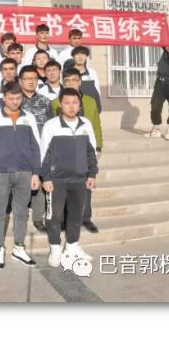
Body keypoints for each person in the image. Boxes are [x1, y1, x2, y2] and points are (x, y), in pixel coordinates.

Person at [40, 88, 99, 268]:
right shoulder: (51, 125)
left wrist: (92, 173)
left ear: (79, 105)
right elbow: (44, 153)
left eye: (75, 103)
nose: (71, 106)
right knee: (54, 215)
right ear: (60, 104)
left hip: (80, 179)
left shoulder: (86, 124)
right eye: (67, 103)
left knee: (76, 214)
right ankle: (55, 248)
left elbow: (91, 151)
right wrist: (46, 177)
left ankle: (72, 246)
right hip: (56, 180)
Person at [0, 82, 42, 268]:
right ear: (4, 98)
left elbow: (35, 146)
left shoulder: (29, 118)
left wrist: (36, 173)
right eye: (11, 98)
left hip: (25, 172)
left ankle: (19, 247)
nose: (15, 101)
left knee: (22, 212)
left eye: (18, 98)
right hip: (1, 173)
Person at [51, 69, 103, 234]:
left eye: (74, 80)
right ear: (63, 82)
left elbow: (96, 125)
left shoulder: (90, 101)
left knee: (85, 187)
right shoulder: (55, 103)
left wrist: (98, 147)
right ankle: (64, 219)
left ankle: (86, 218)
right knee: (65, 187)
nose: (71, 83)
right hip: (64, 152)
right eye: (67, 80)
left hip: (84, 150)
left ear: (80, 81)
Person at [18, 65, 55, 232]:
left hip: (41, 149)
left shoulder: (45, 101)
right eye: (27, 78)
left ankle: (38, 218)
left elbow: (52, 125)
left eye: (34, 78)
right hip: (20, 150)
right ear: (20, 81)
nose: (31, 81)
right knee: (21, 183)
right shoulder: (15, 100)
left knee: (40, 183)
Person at [69, 46, 102, 112]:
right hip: (72, 109)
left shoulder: (92, 73)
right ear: (73, 57)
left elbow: (97, 92)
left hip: (89, 109)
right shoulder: (68, 73)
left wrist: (98, 109)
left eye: (83, 54)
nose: (80, 57)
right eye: (77, 54)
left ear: (86, 57)